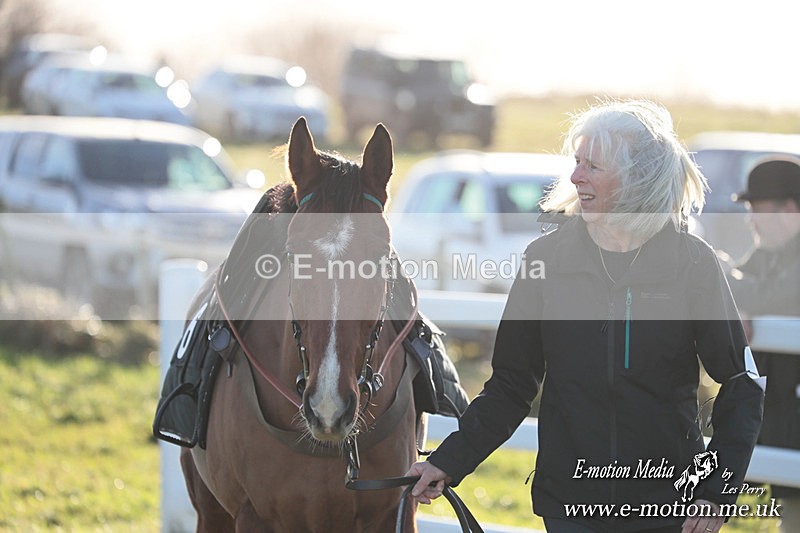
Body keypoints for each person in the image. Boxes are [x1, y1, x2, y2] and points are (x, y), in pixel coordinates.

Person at [406, 99, 765, 533]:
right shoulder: (546, 260)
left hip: (665, 507)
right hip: (570, 504)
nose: (575, 176)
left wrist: (715, 493)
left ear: (638, 178)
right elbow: (511, 385)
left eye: (592, 165)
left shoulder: (692, 263)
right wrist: (448, 461)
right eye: (576, 162)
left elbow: (740, 384)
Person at [726, 157, 800, 532]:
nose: (750, 220)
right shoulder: (767, 257)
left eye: (759, 210)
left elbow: (778, 295)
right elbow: (748, 288)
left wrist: (720, 275)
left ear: (790, 210)